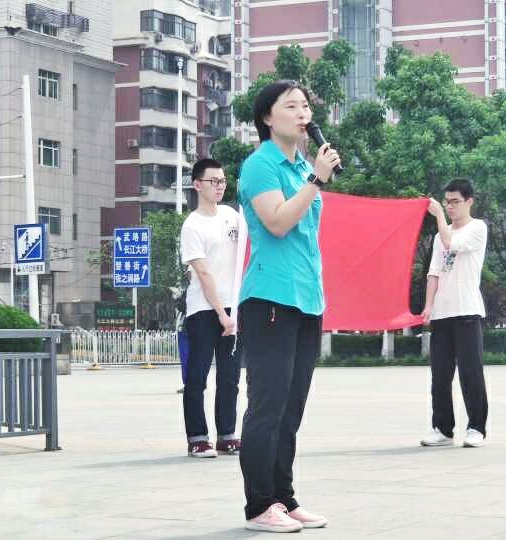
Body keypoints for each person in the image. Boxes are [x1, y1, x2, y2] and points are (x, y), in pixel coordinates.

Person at [237, 80, 340, 533]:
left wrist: (312, 177)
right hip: (270, 300)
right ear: (267, 117)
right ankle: (259, 505)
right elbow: (277, 223)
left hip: (306, 300)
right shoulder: (260, 165)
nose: (303, 114)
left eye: (305, 107)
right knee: (268, 406)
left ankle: (284, 497)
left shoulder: (301, 167)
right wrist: (316, 181)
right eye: (292, 106)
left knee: (292, 407)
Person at [179, 158, 242, 458]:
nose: (219, 186)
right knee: (197, 377)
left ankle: (227, 436)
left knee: (230, 377)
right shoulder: (192, 225)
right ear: (197, 185)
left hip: (233, 308)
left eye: (223, 181)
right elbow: (203, 273)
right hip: (204, 311)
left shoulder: (231, 216)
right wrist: (221, 314)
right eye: (213, 181)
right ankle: (197, 438)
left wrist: (234, 312)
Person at [421, 178, 489, 449]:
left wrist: (438, 215)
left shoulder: (477, 228)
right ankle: (442, 428)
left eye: (455, 202)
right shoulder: (440, 235)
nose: (449, 207)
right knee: (439, 376)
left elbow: (451, 244)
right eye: (446, 202)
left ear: (469, 201)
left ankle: (476, 428)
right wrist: (428, 306)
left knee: (470, 373)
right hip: (442, 314)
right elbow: (434, 273)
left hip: (467, 311)